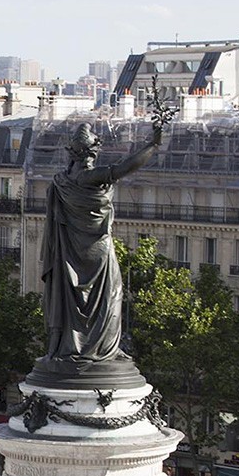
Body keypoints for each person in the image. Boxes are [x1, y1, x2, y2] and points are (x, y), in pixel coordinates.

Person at [40, 120, 161, 371]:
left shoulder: (62, 181)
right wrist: (153, 144)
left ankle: (67, 346)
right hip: (98, 251)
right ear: (89, 153)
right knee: (111, 295)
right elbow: (123, 168)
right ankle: (104, 349)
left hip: (70, 253)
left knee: (70, 299)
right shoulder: (89, 177)